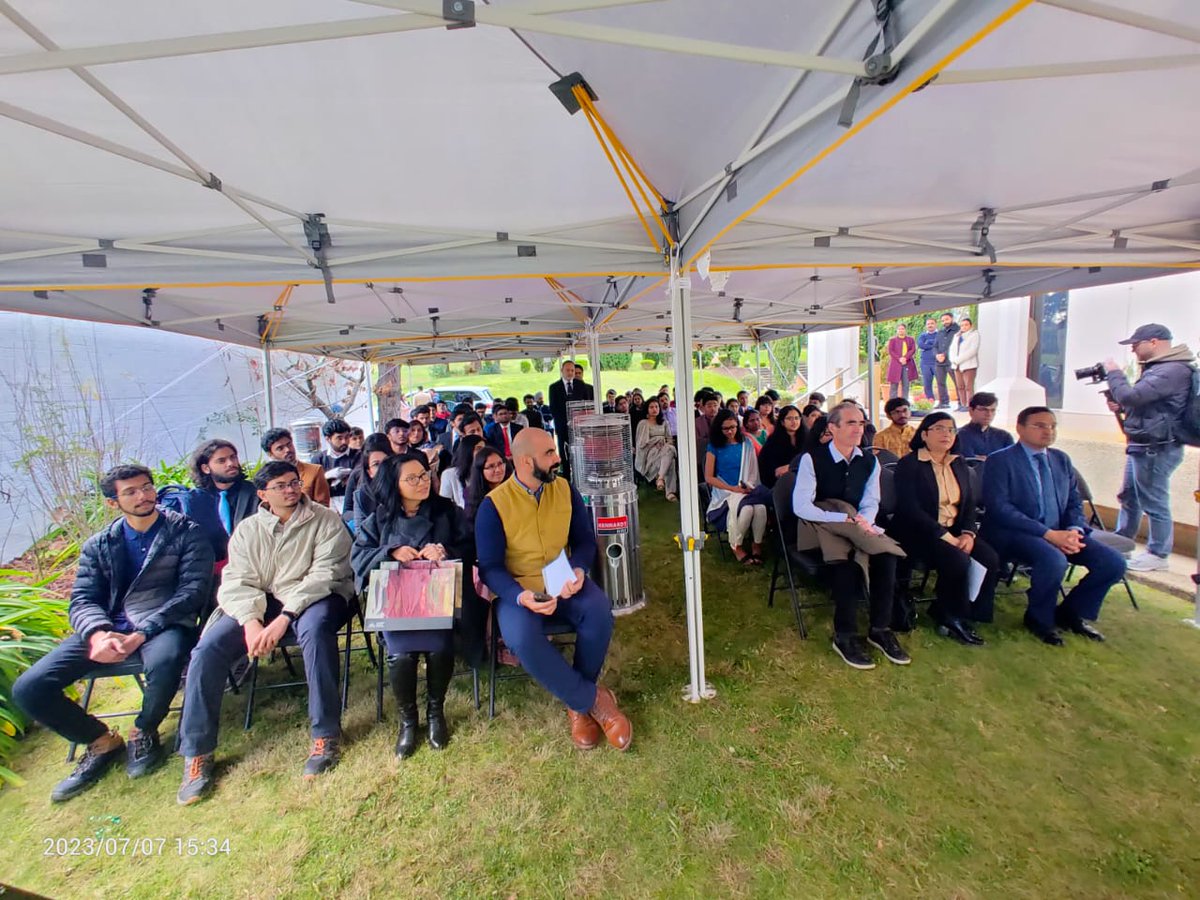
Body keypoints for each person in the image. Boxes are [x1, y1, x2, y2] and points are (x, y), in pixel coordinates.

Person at [13, 465, 213, 802]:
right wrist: (97, 633)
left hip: (164, 623)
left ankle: (144, 730)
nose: (143, 496)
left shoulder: (185, 532)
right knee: (29, 688)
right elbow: (83, 598)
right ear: (112, 502)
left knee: (166, 661)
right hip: (109, 628)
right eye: (131, 491)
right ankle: (100, 740)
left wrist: (142, 632)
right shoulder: (101, 544)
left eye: (147, 487)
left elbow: (192, 592)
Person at [177, 461, 353, 804]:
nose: (290, 490)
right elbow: (237, 581)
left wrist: (284, 617)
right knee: (207, 649)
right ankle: (197, 752)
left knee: (315, 633)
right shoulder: (248, 530)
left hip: (314, 596)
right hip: (258, 603)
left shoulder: (324, 519)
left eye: (293, 483)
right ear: (263, 494)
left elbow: (325, 574)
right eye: (281, 486)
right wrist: (251, 621)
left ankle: (325, 733)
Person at [475, 429, 631, 751]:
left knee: (599, 612)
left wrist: (579, 569)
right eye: (549, 454)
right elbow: (490, 568)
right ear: (525, 460)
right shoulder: (494, 506)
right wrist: (521, 596)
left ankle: (576, 704)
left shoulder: (564, 489)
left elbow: (585, 541)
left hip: (565, 583)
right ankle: (594, 701)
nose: (558, 458)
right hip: (519, 591)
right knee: (521, 638)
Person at [353, 453, 470, 758]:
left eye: (424, 475)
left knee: (438, 647)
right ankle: (408, 720)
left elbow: (472, 546)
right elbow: (358, 557)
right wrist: (390, 552)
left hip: (437, 602)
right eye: (412, 478)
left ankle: (435, 712)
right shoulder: (379, 519)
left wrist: (444, 550)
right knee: (401, 655)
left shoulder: (447, 512)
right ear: (394, 484)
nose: (423, 482)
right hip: (398, 606)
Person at [981, 407, 1126, 646]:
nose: (1047, 431)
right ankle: (1040, 620)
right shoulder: (1001, 460)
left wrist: (1074, 531)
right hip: (1016, 533)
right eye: (1039, 425)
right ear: (1020, 428)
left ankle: (1070, 613)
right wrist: (1048, 534)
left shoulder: (1060, 459)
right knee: (1053, 560)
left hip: (1062, 531)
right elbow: (1000, 508)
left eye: (1052, 426)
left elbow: (1073, 502)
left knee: (1113, 563)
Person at [792, 402, 909, 670]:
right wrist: (840, 519)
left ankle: (880, 629)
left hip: (855, 520)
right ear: (832, 428)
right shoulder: (813, 458)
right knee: (845, 566)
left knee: (886, 557)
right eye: (851, 423)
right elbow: (802, 506)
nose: (859, 428)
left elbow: (871, 501)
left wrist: (862, 522)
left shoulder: (869, 461)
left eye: (861, 422)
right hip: (821, 522)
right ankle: (844, 636)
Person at [889, 413, 1000, 644]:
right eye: (939, 428)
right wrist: (944, 535)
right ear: (925, 434)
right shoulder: (910, 464)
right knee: (957, 559)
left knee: (989, 558)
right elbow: (910, 509)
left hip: (956, 530)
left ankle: (966, 610)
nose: (946, 434)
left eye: (951, 429)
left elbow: (969, 505)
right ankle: (951, 616)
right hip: (918, 532)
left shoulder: (958, 463)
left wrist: (969, 533)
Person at [1105, 323, 1196, 571]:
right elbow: (1145, 405)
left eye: (1136, 345)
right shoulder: (1160, 369)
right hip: (1143, 443)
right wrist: (1121, 407)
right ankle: (1120, 543)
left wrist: (1114, 374)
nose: (1133, 350)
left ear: (1154, 342)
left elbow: (1133, 396)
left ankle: (1158, 553)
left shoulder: (1172, 370)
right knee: (1129, 498)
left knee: (1153, 500)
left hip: (1157, 446)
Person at [705, 409, 768, 566]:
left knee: (760, 508)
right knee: (746, 510)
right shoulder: (714, 446)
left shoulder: (746, 444)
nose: (730, 431)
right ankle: (736, 546)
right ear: (719, 429)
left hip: (746, 487)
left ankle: (756, 545)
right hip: (725, 491)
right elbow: (709, 477)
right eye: (726, 428)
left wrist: (747, 486)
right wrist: (733, 489)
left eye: (733, 427)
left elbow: (753, 471)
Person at [192, 439, 258, 538]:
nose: (231, 463)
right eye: (221, 461)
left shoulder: (255, 492)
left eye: (233, 457)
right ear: (206, 468)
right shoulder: (197, 499)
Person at [261, 427, 332, 506]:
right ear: (271, 454)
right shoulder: (267, 478)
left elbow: (323, 505)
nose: (287, 450)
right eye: (280, 448)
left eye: (289, 444)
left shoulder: (314, 471)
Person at [547, 360, 593, 478]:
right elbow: (554, 408)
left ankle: (582, 474)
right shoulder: (554, 387)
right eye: (568, 370)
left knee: (581, 451)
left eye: (572, 370)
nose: (570, 373)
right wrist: (566, 421)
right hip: (562, 426)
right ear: (562, 371)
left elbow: (586, 405)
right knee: (565, 452)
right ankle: (567, 475)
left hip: (579, 426)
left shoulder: (580, 385)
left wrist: (579, 421)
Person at [342, 433, 394, 527]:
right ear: (369, 470)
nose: (382, 468)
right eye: (376, 464)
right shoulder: (361, 491)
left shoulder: (404, 484)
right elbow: (346, 512)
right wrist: (364, 518)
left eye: (386, 461)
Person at [635, 397, 679, 501]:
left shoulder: (664, 423)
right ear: (647, 409)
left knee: (670, 450)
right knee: (670, 459)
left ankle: (660, 478)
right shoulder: (643, 423)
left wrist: (663, 444)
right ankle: (670, 492)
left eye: (656, 407)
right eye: (651, 407)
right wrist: (655, 442)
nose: (654, 409)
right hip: (650, 452)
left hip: (664, 449)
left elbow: (669, 439)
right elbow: (641, 444)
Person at [310, 418, 361, 501]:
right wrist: (326, 476)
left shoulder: (359, 455)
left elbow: (359, 482)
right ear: (328, 439)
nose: (344, 441)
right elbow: (313, 487)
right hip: (327, 504)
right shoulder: (318, 459)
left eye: (347, 437)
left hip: (353, 501)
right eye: (339, 438)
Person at [956, 392, 1014, 460]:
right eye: (983, 409)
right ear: (971, 410)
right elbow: (969, 462)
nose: (989, 414)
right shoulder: (960, 435)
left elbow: (1012, 462)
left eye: (993, 410)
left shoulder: (1004, 436)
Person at [464, 445, 512, 527]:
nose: (498, 470)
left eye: (500, 464)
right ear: (480, 470)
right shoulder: (470, 493)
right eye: (491, 466)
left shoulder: (513, 488)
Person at [759, 404, 804, 489]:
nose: (794, 422)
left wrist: (791, 467)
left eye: (796, 418)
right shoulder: (773, 441)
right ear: (782, 422)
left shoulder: (808, 438)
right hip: (780, 484)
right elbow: (766, 465)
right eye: (789, 418)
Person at [439, 434, 485, 509]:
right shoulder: (449, 474)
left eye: (484, 449)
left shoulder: (485, 472)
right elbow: (444, 506)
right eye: (479, 449)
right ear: (467, 451)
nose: (483, 452)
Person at [949, 317, 980, 411]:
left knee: (968, 387)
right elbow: (952, 349)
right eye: (962, 325)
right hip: (956, 365)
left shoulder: (974, 335)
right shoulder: (957, 336)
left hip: (968, 365)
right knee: (960, 386)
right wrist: (953, 360)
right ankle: (962, 405)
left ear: (970, 326)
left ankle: (969, 405)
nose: (964, 327)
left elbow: (973, 350)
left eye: (966, 325)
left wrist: (958, 359)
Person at [933, 312, 960, 409]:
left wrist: (944, 354)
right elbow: (935, 346)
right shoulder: (940, 332)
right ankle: (943, 402)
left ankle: (961, 403)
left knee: (957, 382)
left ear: (952, 319)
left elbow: (955, 346)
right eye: (943, 320)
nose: (945, 322)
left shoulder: (958, 330)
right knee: (940, 382)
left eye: (947, 319)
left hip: (951, 361)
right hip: (939, 362)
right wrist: (937, 355)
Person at [694, 390, 721, 479]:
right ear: (703, 407)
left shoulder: (723, 421)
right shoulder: (696, 422)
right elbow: (697, 442)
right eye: (709, 406)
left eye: (715, 405)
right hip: (703, 456)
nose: (713, 408)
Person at [886, 323, 918, 400]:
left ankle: (905, 402)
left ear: (905, 330)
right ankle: (893, 402)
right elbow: (891, 351)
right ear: (897, 330)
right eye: (899, 329)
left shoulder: (910, 339)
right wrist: (899, 358)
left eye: (902, 329)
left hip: (907, 364)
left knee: (906, 384)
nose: (901, 330)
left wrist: (905, 358)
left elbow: (913, 349)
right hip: (896, 364)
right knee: (894, 384)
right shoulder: (892, 340)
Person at [916, 318, 939, 402]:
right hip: (925, 362)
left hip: (937, 362)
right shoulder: (922, 336)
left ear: (936, 324)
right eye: (928, 324)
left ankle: (943, 402)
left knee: (940, 383)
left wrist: (928, 342)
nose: (930, 325)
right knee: (927, 384)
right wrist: (934, 345)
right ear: (926, 326)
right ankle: (930, 401)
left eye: (932, 323)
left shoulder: (940, 334)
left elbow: (940, 344)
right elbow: (921, 345)